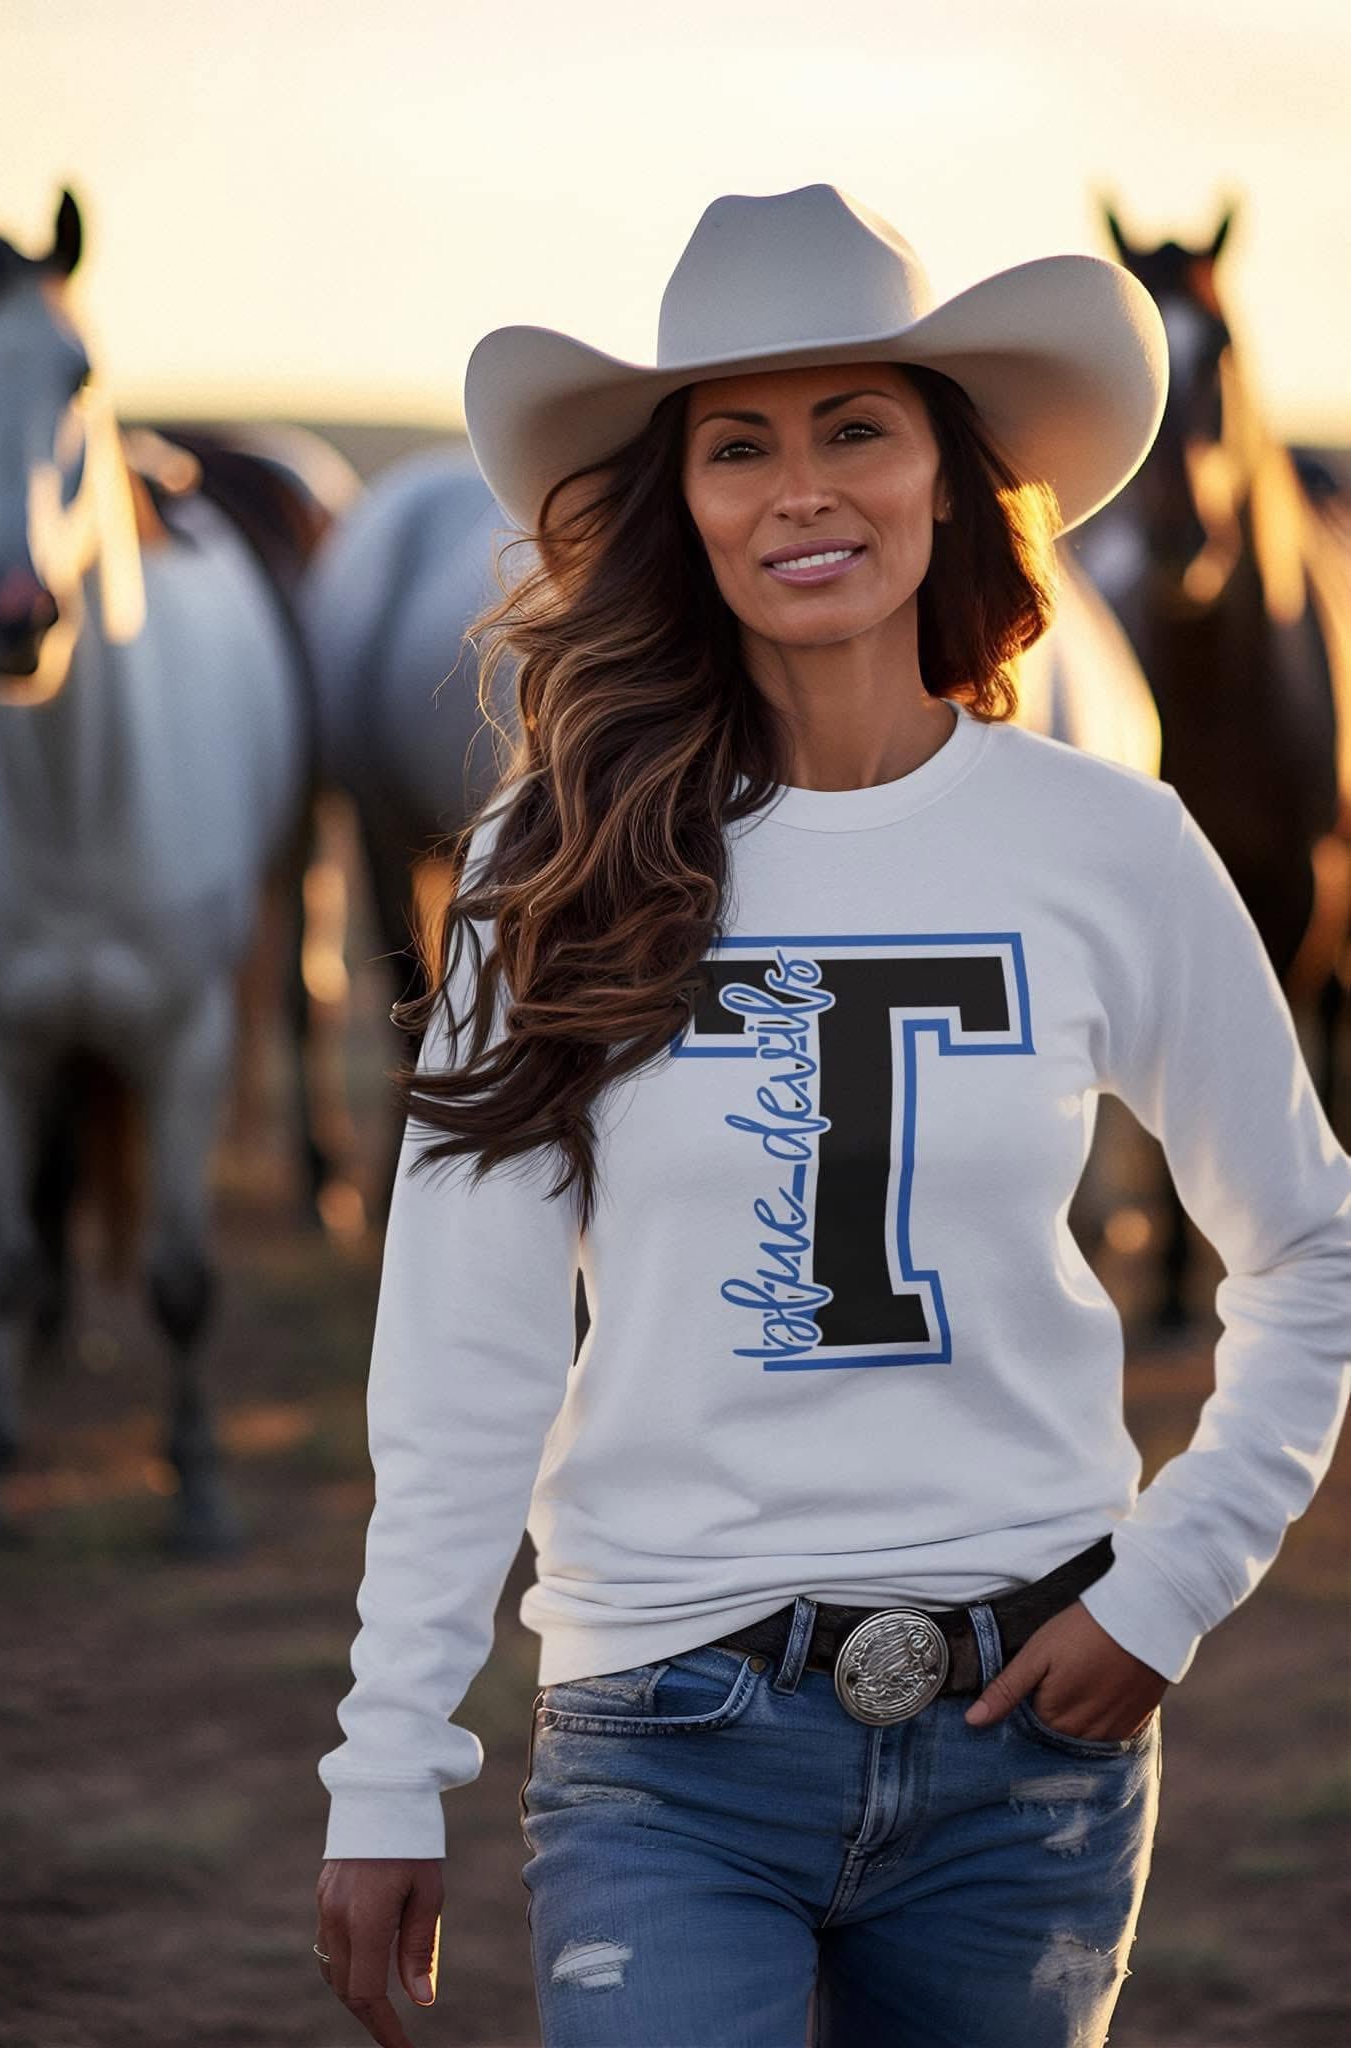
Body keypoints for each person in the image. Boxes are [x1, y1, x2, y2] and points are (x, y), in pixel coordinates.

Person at [312, 183, 1351, 2047]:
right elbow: (459, 1353)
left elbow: (1309, 1242)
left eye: (852, 427)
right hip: (663, 1747)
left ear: (943, 473)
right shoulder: (545, 865)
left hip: (1026, 1755)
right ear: (679, 504)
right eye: (738, 446)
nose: (801, 490)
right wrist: (388, 1759)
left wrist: (1169, 1588)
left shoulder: (1105, 842)